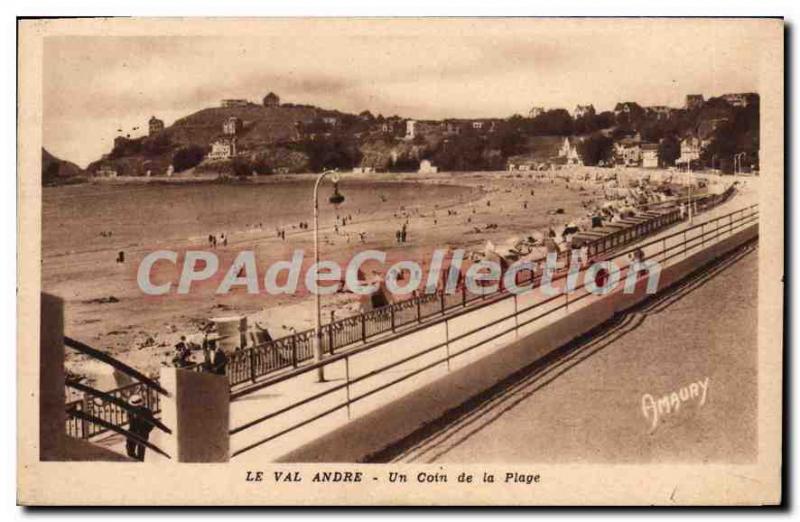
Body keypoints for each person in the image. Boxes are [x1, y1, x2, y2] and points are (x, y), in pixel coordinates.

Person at [125, 394, 154, 462]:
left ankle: (140, 463)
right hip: (132, 432)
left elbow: (151, 424)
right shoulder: (130, 411)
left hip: (143, 433)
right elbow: (130, 422)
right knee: (130, 450)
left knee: (141, 452)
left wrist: (145, 431)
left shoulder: (147, 412)